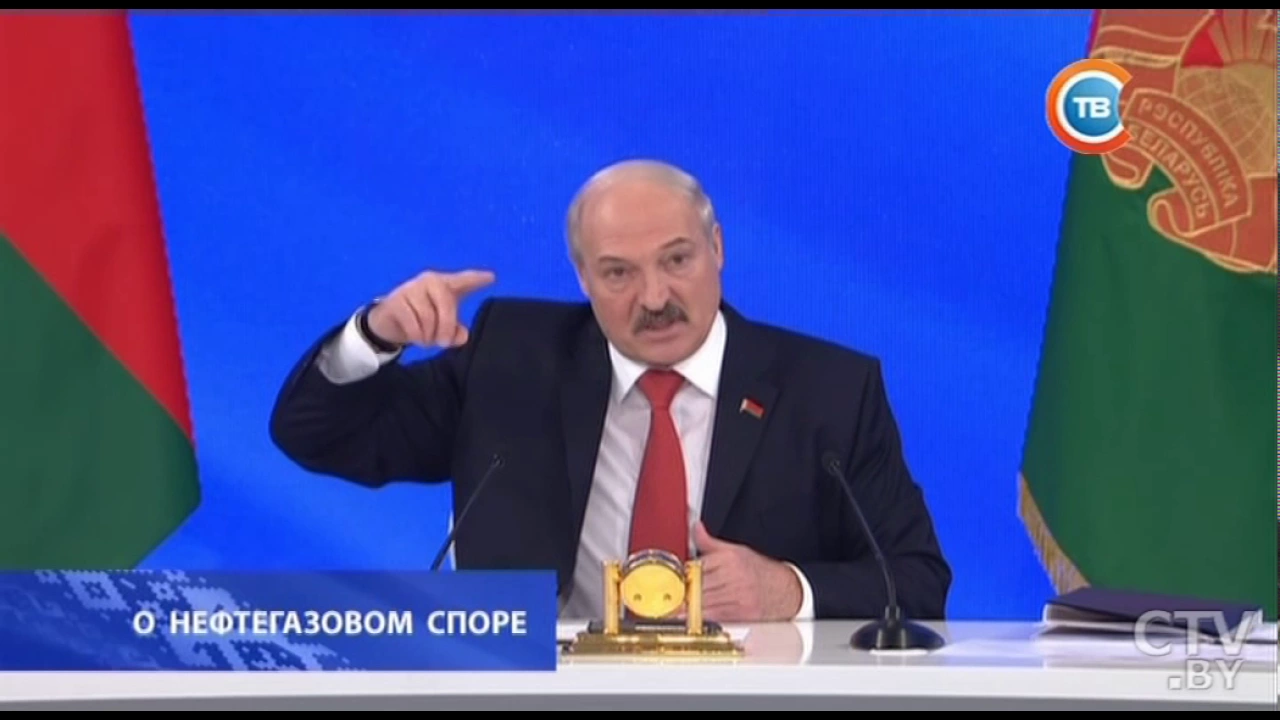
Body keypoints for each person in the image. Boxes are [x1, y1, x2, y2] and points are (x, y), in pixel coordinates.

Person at [269, 159, 952, 622]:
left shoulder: (829, 390)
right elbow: (317, 436)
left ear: (717, 247)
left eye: (677, 260)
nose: (654, 298)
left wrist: (787, 590)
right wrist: (377, 334)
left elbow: (918, 580)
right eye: (619, 273)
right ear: (582, 276)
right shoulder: (511, 359)